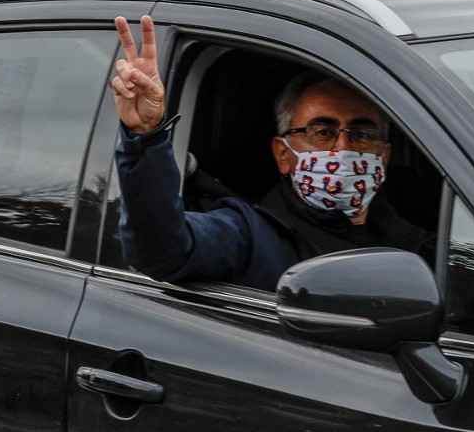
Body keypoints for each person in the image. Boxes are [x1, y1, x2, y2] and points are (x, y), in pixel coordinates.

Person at [111, 15, 434, 291]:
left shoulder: (419, 244)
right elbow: (162, 250)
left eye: (362, 134)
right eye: (322, 132)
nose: (343, 149)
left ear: (385, 158)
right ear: (283, 154)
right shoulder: (248, 233)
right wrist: (147, 136)